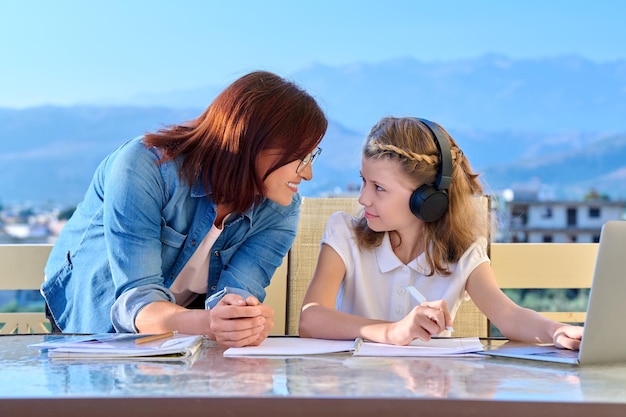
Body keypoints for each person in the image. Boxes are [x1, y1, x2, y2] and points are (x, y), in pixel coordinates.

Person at [42, 70, 327, 347]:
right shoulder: (144, 167)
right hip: (88, 321)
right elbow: (136, 301)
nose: (309, 174)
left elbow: (235, 292)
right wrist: (210, 323)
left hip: (179, 332)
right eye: (300, 157)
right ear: (253, 143)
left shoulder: (280, 210)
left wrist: (239, 317)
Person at [298, 116, 583, 350]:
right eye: (363, 182)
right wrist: (393, 331)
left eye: (379, 187)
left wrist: (556, 331)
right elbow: (311, 319)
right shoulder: (344, 233)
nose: (363, 198)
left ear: (427, 198)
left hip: (429, 393)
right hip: (356, 395)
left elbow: (507, 315)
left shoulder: (462, 251)